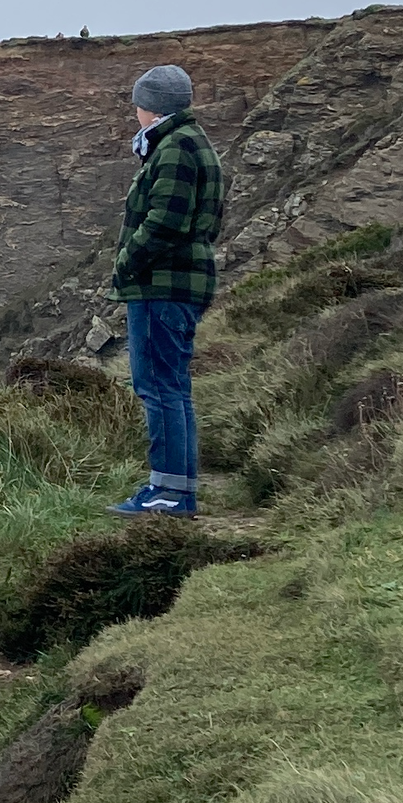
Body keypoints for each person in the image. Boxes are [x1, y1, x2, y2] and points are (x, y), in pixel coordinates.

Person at [108, 62, 223, 516]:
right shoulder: (191, 144)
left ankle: (169, 493)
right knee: (171, 387)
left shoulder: (174, 148)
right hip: (179, 282)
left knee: (157, 387)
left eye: (139, 101)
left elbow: (165, 223)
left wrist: (127, 262)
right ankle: (174, 486)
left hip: (163, 284)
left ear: (150, 105)